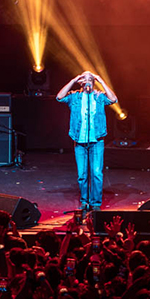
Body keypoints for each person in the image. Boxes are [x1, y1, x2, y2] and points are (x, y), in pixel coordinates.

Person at [56, 70, 119, 212]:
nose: (88, 80)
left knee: (96, 173)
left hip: (96, 141)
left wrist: (101, 80)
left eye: (90, 78)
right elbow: (59, 97)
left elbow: (113, 99)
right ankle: (84, 201)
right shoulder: (75, 97)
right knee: (82, 174)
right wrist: (74, 79)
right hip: (79, 141)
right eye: (85, 78)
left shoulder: (99, 97)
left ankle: (95, 203)